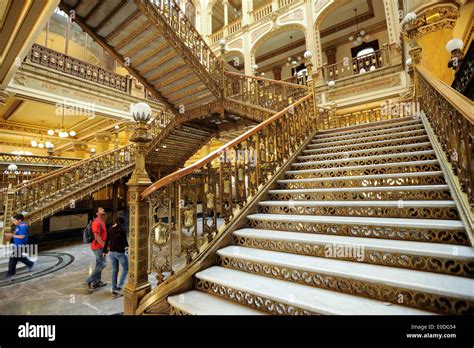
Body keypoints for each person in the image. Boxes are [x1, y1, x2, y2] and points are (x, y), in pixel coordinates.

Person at [3, 214, 34, 278]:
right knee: (19, 257)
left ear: (19, 220)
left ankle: (11, 273)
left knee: (13, 259)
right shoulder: (18, 225)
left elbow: (22, 236)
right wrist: (10, 235)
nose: (13, 221)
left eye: (14, 220)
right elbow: (17, 233)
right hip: (17, 244)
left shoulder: (23, 226)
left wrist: (12, 235)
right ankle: (30, 263)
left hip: (21, 245)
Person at [103, 217, 129, 295]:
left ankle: (114, 288)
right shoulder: (122, 230)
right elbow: (125, 243)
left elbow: (107, 240)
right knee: (126, 268)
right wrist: (128, 248)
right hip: (120, 253)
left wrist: (104, 251)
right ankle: (120, 286)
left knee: (115, 270)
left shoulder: (110, 229)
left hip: (111, 253)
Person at [85, 207, 108, 292]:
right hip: (97, 247)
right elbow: (97, 237)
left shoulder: (102, 221)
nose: (103, 210)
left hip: (101, 246)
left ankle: (96, 282)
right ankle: (89, 280)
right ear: (97, 213)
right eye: (101, 209)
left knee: (99, 264)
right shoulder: (96, 222)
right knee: (103, 264)